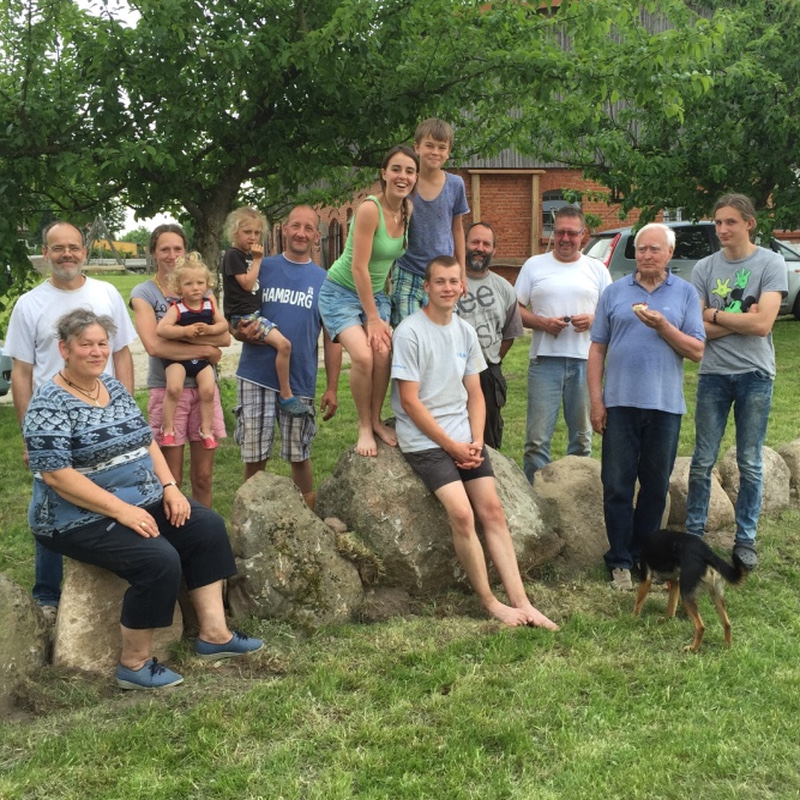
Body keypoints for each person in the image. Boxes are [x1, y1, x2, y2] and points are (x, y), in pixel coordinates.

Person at [22, 309, 262, 689]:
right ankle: (133, 663)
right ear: (65, 349)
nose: (97, 351)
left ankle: (215, 635)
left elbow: (144, 440)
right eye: (86, 344)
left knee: (206, 527)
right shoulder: (49, 402)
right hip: (73, 517)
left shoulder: (113, 389)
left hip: (140, 499)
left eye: (102, 343)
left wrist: (169, 487)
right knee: (158, 558)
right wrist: (123, 511)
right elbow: (57, 475)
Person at [391, 255, 558, 629]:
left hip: (466, 438)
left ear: (461, 286)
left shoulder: (464, 331)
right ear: (426, 287)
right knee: (463, 514)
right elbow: (410, 402)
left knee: (492, 512)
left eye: (454, 281)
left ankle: (522, 601)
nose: (448, 288)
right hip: (426, 440)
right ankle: (489, 602)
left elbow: (476, 394)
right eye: (440, 282)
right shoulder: (410, 332)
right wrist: (451, 447)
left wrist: (477, 441)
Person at [5, 220, 137, 622]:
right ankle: (47, 596)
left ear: (85, 250)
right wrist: (31, 435)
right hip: (55, 425)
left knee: (114, 496)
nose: (67, 254)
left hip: (105, 422)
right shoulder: (29, 304)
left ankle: (117, 584)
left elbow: (124, 356)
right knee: (51, 505)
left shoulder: (107, 293)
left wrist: (126, 416)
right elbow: (22, 374)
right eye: (58, 248)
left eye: (74, 247)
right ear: (45, 254)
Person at [588, 223, 705, 591]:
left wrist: (663, 326)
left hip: (665, 406)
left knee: (655, 487)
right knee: (617, 485)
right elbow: (597, 349)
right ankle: (619, 559)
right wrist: (596, 399)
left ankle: (644, 557)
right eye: (641, 249)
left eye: (655, 249)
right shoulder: (614, 292)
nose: (647, 256)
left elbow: (696, 351)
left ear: (670, 253)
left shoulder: (685, 294)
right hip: (620, 403)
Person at [685, 194, 787, 570]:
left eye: (730, 222)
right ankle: (694, 536)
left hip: (755, 375)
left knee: (750, 461)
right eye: (717, 222)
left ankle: (745, 539)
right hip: (713, 375)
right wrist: (737, 318)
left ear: (749, 223)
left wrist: (716, 316)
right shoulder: (704, 268)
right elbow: (697, 331)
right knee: (702, 461)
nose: (722, 229)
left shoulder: (771, 263)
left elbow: (763, 326)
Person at [234, 205, 342, 506]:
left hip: (299, 380)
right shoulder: (261, 267)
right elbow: (237, 315)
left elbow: (333, 337)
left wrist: (332, 387)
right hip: (256, 374)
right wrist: (238, 331)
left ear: (317, 236)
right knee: (255, 456)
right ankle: (249, 520)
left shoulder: (325, 280)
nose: (301, 233)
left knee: (299, 455)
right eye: (296, 226)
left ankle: (309, 520)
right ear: (284, 229)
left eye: (308, 228)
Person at [319, 145, 418, 457]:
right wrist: (373, 320)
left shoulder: (407, 211)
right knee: (362, 356)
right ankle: (364, 425)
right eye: (397, 169)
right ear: (384, 173)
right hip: (340, 292)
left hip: (374, 294)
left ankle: (376, 420)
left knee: (383, 353)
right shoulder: (368, 209)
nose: (403, 176)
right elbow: (359, 267)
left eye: (410, 171)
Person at [130, 224, 230, 508]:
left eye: (177, 248)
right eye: (164, 249)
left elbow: (223, 335)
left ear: (185, 252)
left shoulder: (200, 287)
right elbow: (155, 345)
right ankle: (175, 543)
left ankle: (203, 540)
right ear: (153, 253)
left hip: (203, 389)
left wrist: (212, 345)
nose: (171, 255)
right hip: (168, 388)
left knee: (203, 477)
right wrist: (206, 350)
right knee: (171, 479)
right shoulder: (144, 293)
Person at [516, 206, 611, 482]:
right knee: (536, 440)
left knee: (582, 438)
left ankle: (575, 496)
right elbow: (515, 309)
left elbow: (610, 311)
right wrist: (542, 323)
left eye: (572, 233)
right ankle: (534, 497)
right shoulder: (535, 265)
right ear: (553, 233)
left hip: (586, 361)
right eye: (560, 232)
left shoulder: (597, 269)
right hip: (545, 360)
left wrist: (593, 319)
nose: (565, 238)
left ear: (584, 235)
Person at [221, 206, 309, 417]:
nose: (253, 237)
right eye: (247, 232)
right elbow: (246, 283)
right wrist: (258, 259)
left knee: (281, 346)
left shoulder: (245, 256)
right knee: (284, 345)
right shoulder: (234, 256)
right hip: (246, 317)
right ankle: (286, 395)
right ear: (235, 233)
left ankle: (284, 392)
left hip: (251, 314)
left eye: (257, 233)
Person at [390, 118, 470, 325]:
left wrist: (461, 271)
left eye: (441, 147)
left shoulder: (455, 184)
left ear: (448, 151)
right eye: (429, 146)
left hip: (442, 273)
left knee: (441, 333)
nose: (435, 152)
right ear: (417, 147)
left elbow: (457, 229)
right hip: (408, 269)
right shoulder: (406, 183)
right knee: (406, 331)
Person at [455, 222, 523, 449]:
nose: (480, 248)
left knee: (487, 440)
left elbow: (509, 335)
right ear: (464, 244)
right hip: (451, 371)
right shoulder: (450, 281)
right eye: (475, 242)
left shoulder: (505, 288)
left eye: (486, 244)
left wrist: (487, 361)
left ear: (494, 249)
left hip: (488, 375)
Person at [156, 252, 230, 450]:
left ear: (207, 284)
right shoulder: (177, 308)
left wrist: (210, 329)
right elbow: (162, 329)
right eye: (188, 284)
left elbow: (224, 326)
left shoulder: (209, 305)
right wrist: (184, 331)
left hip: (201, 360)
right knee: (173, 388)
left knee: (208, 390)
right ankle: (168, 429)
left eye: (200, 283)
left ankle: (206, 430)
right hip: (179, 358)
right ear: (179, 287)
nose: (195, 288)